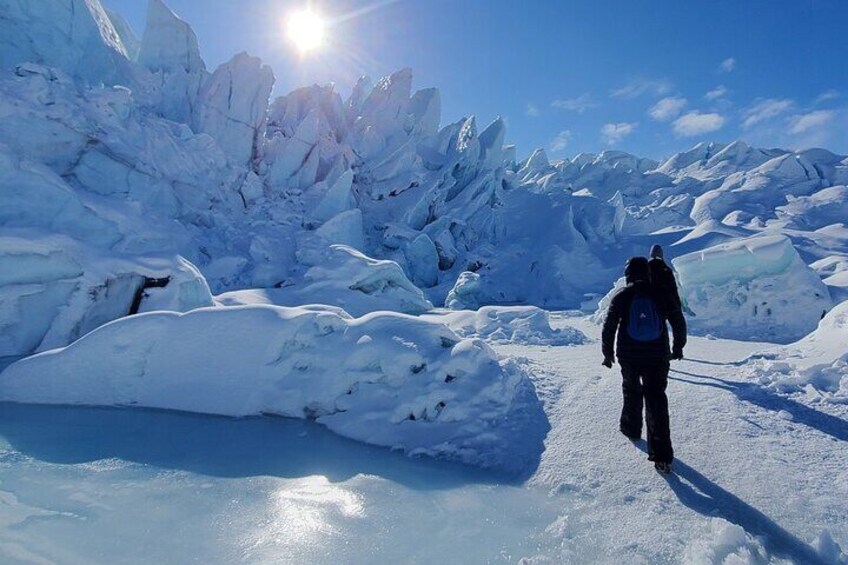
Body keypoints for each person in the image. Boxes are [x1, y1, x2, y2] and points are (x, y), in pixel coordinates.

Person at [601, 256, 687, 474]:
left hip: (629, 355)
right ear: (648, 273)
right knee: (656, 398)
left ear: (628, 273)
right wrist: (678, 348)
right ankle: (662, 456)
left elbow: (609, 326)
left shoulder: (622, 296)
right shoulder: (661, 293)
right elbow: (678, 321)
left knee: (631, 389)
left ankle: (631, 428)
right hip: (657, 355)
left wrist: (607, 353)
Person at [647, 244, 682, 310]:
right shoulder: (666, 269)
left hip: (651, 304)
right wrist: (677, 305)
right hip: (666, 303)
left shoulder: (646, 268)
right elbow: (673, 288)